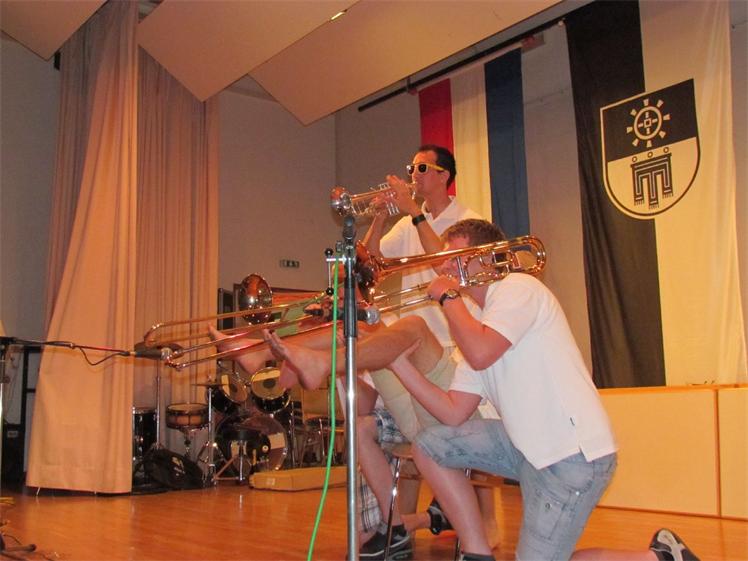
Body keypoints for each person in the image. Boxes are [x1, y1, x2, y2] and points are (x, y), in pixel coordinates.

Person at [266, 218, 701, 561]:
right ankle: (476, 552)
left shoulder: (519, 289)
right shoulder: (477, 323)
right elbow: (453, 411)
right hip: (527, 448)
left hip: (573, 458)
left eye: (455, 258)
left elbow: (481, 351)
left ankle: (658, 557)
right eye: (445, 262)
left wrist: (448, 299)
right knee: (431, 444)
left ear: (486, 260)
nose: (444, 269)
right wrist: (396, 362)